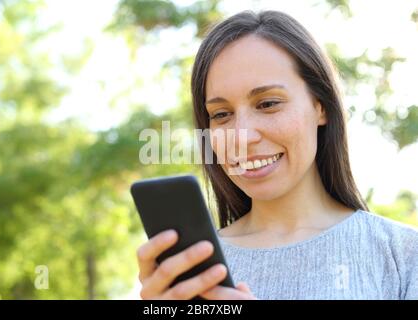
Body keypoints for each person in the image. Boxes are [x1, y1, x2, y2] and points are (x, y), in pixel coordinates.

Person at [136, 10, 418, 300]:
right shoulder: (192, 273)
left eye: (268, 103)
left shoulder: (403, 255)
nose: (242, 136)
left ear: (320, 106)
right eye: (221, 114)